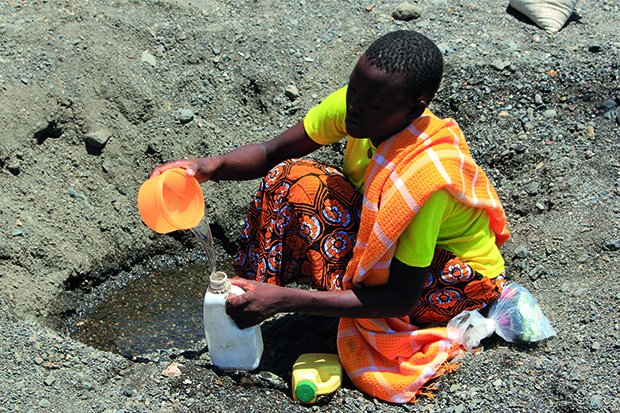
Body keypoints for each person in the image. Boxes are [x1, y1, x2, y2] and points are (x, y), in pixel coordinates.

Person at [150, 30, 510, 403]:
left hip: (453, 286)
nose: (354, 106)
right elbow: (271, 151)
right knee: (291, 180)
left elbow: (401, 298)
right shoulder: (362, 109)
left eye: (372, 103)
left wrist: (287, 300)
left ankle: (272, 301)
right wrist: (207, 166)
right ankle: (251, 305)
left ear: (414, 110)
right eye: (353, 89)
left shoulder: (425, 179)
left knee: (308, 191)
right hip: (401, 265)